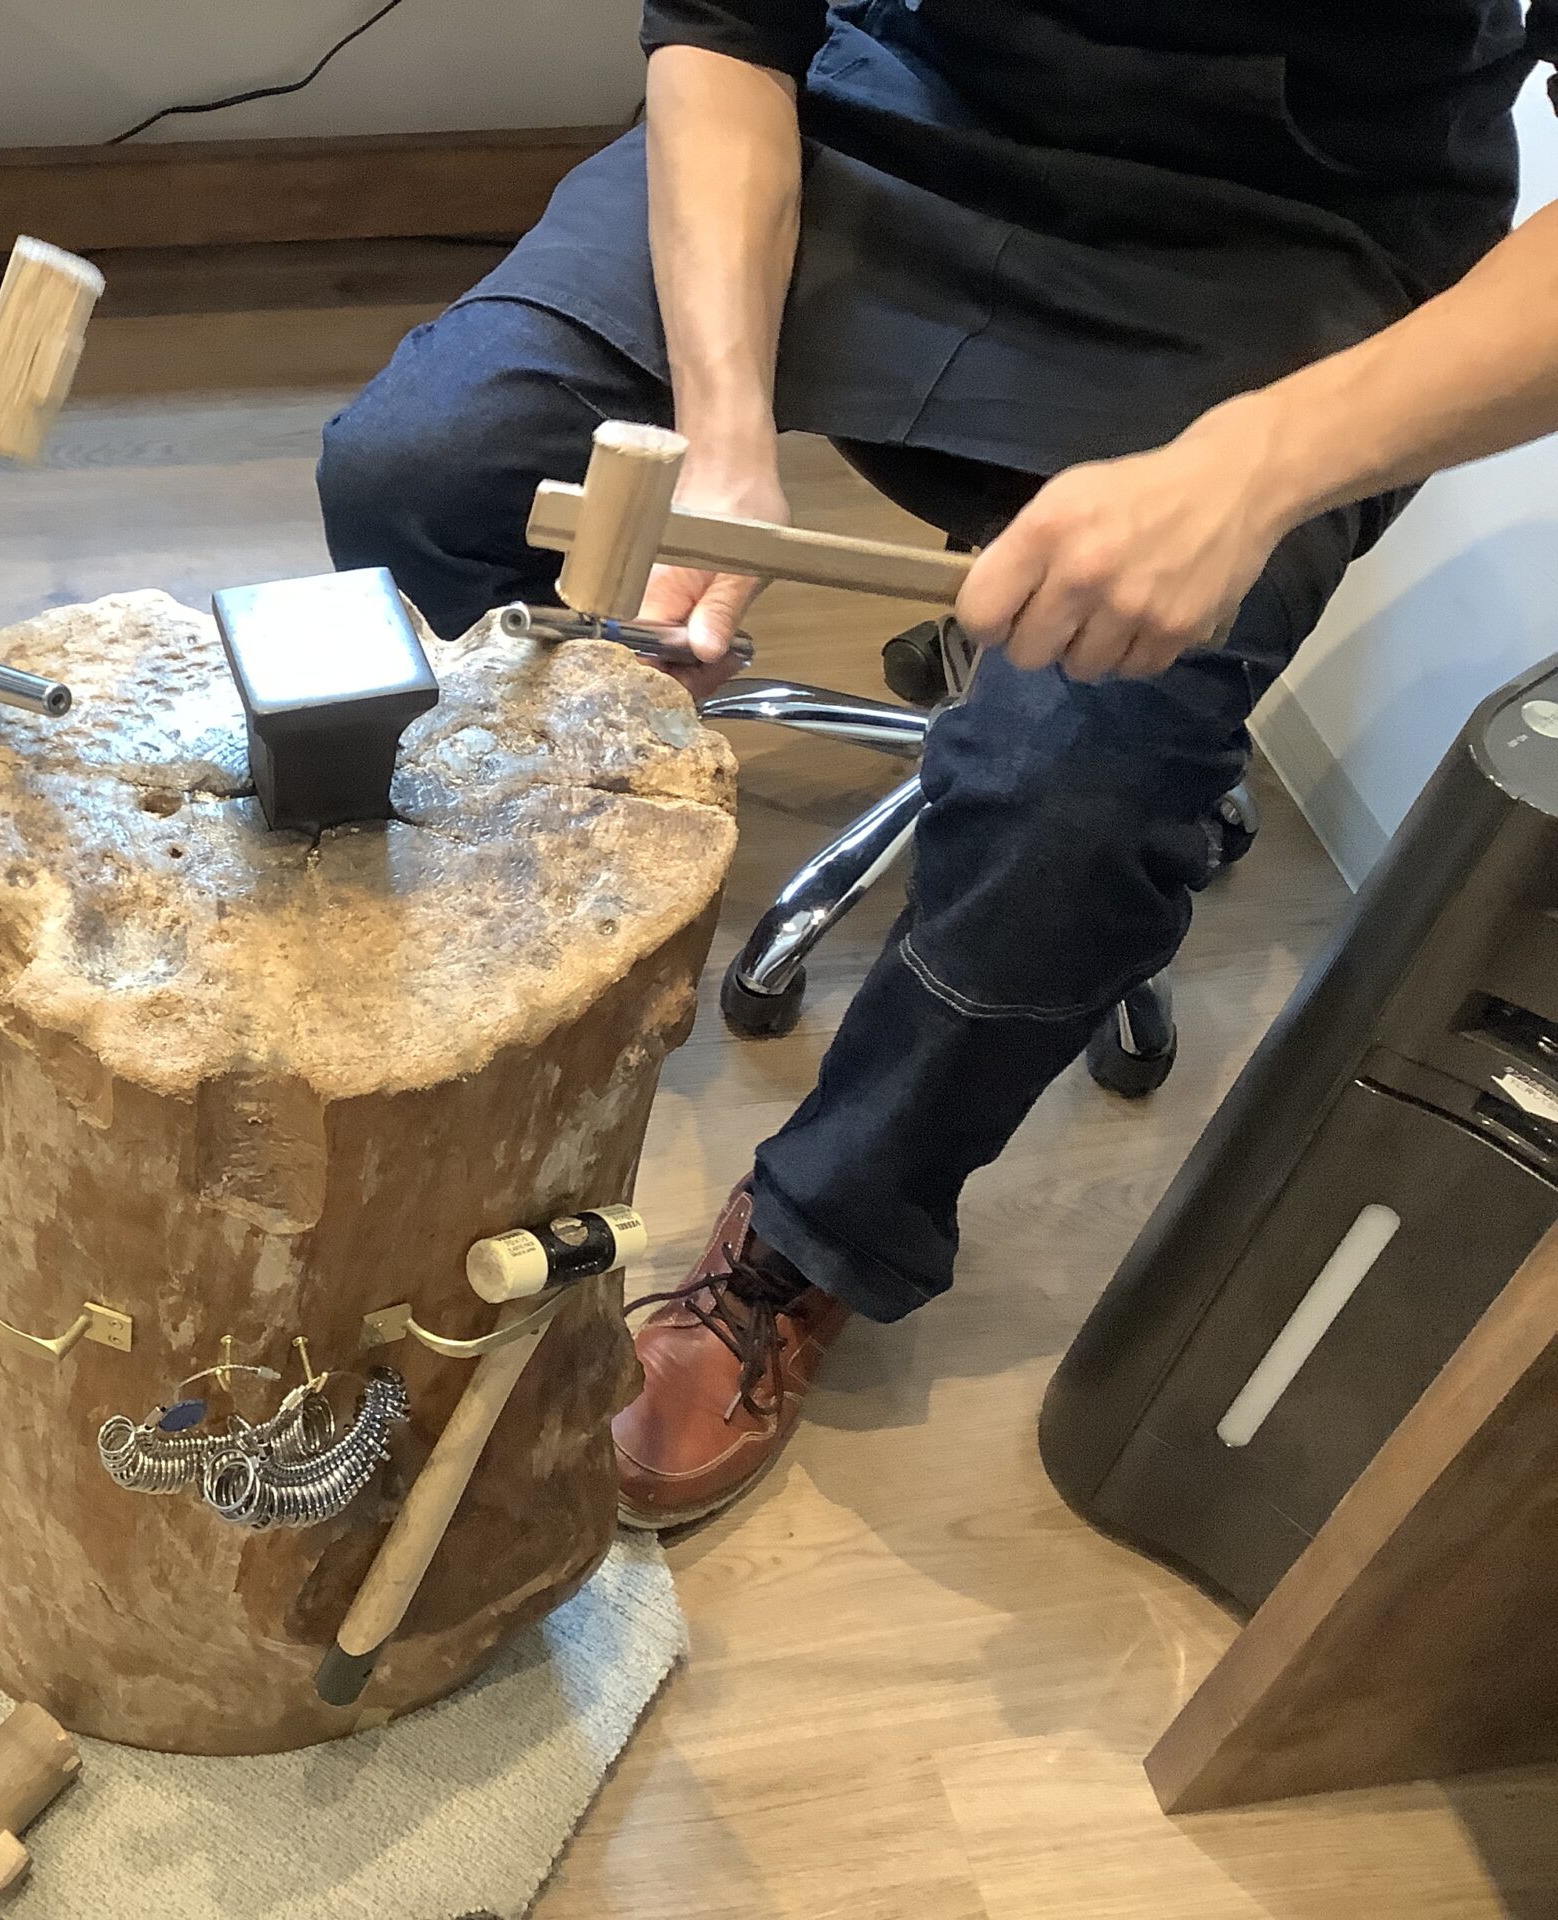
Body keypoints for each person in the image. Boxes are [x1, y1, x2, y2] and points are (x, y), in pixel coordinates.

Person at [317, 0, 1558, 1529]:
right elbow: (726, 27)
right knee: (429, 465)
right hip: (888, 126)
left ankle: (814, 1237)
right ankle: (518, 928)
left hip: (1288, 253)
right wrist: (724, 439)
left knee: (1081, 794)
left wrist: (1249, 470)